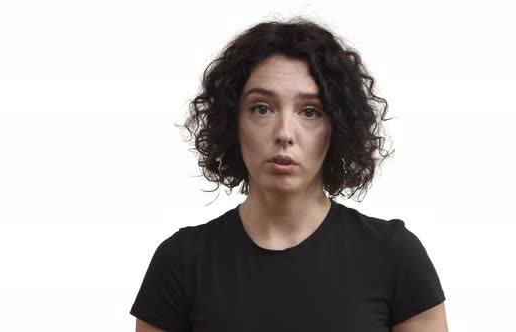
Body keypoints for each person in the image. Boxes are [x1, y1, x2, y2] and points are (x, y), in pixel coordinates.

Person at [130, 17, 448, 332]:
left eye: (310, 111)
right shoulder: (181, 263)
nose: (284, 133)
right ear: (233, 121)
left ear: (337, 126)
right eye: (262, 108)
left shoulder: (395, 257)